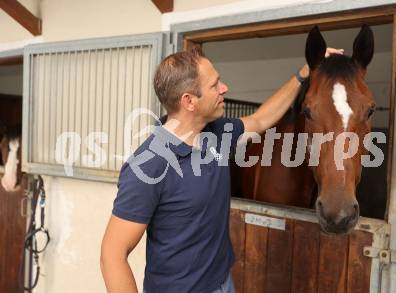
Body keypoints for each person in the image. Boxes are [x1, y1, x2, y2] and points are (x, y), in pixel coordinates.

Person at [101, 47, 343, 293]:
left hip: (222, 283)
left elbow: (260, 120)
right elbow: (112, 255)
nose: (224, 88)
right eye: (215, 85)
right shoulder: (148, 165)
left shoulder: (216, 132)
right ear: (189, 101)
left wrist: (303, 74)